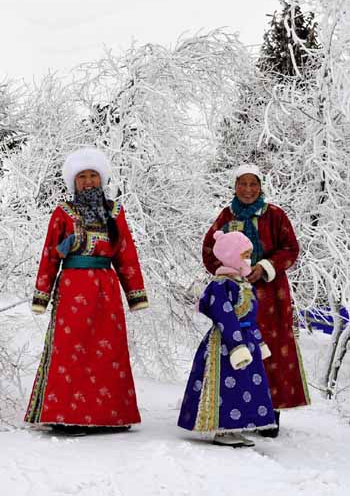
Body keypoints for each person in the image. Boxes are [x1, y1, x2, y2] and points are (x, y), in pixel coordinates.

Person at [24, 145, 148, 434]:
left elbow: (126, 254)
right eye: (82, 177)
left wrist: (135, 293)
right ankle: (66, 415)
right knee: (71, 352)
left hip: (106, 291)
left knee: (108, 353)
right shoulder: (62, 213)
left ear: (101, 179)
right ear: (74, 182)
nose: (89, 181)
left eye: (93, 175)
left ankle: (112, 416)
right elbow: (49, 255)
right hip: (72, 291)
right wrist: (41, 294)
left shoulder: (115, 212)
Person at [202, 163, 310, 437]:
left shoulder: (275, 215)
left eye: (253, 184)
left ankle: (271, 412)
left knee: (272, 349)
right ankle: (242, 409)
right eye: (242, 183)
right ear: (234, 186)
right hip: (239, 295)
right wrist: (229, 274)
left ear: (261, 186)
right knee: (239, 347)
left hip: (272, 294)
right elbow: (208, 250)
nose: (248, 189)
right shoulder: (226, 217)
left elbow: (290, 248)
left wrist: (265, 266)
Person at [178, 230, 276, 447]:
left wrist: (259, 342)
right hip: (226, 344)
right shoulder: (221, 285)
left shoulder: (242, 283)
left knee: (244, 385)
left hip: (246, 342)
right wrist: (236, 345)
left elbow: (250, 318)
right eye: (244, 255)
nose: (249, 260)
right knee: (227, 384)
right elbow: (225, 317)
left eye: (249, 255)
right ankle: (222, 429)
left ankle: (236, 426)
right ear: (231, 255)